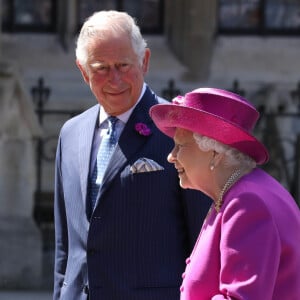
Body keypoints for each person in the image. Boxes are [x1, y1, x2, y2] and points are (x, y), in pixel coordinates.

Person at [53, 10, 212, 300]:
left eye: (124, 65)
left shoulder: (179, 132)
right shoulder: (71, 134)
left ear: (145, 61)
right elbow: (66, 248)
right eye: (101, 67)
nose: (114, 79)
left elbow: (204, 242)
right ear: (82, 70)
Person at [149, 87, 300, 299]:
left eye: (180, 146)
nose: (171, 157)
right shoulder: (236, 193)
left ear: (214, 153)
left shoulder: (248, 203)